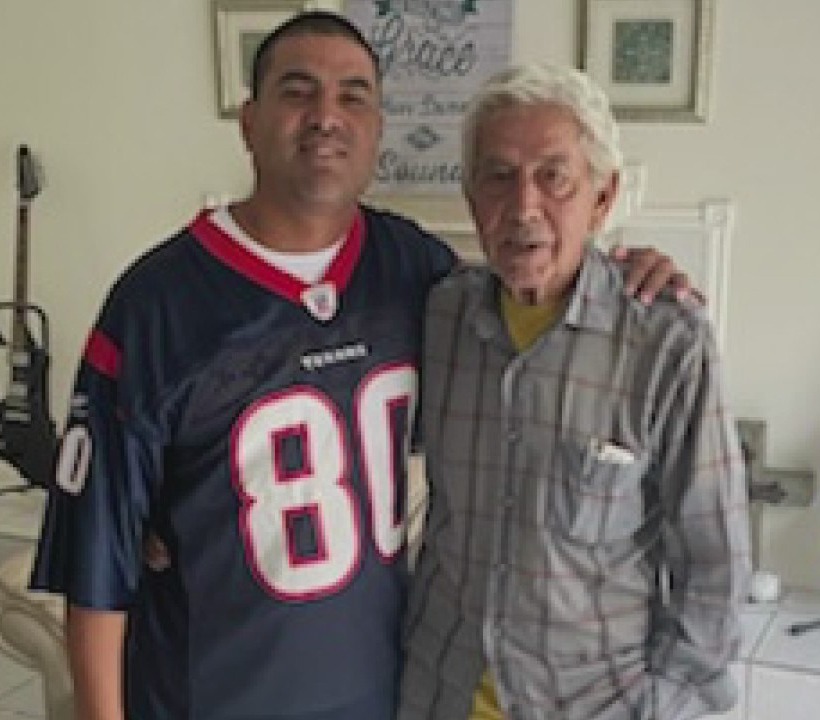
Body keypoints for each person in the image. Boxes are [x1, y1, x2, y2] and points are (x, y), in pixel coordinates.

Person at [30, 12, 696, 720]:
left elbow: (538, 310)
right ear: (249, 124)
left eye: (353, 95)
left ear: (378, 128)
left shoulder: (415, 271)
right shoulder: (155, 304)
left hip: (384, 691)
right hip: (210, 693)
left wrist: (626, 271)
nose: (326, 116)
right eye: (297, 91)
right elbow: (97, 570)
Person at [398, 63, 751, 720]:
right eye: (498, 176)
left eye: (554, 176)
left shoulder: (666, 344)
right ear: (472, 195)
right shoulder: (438, 317)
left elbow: (714, 571)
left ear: (603, 196)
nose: (523, 205)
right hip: (435, 692)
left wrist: (658, 705)